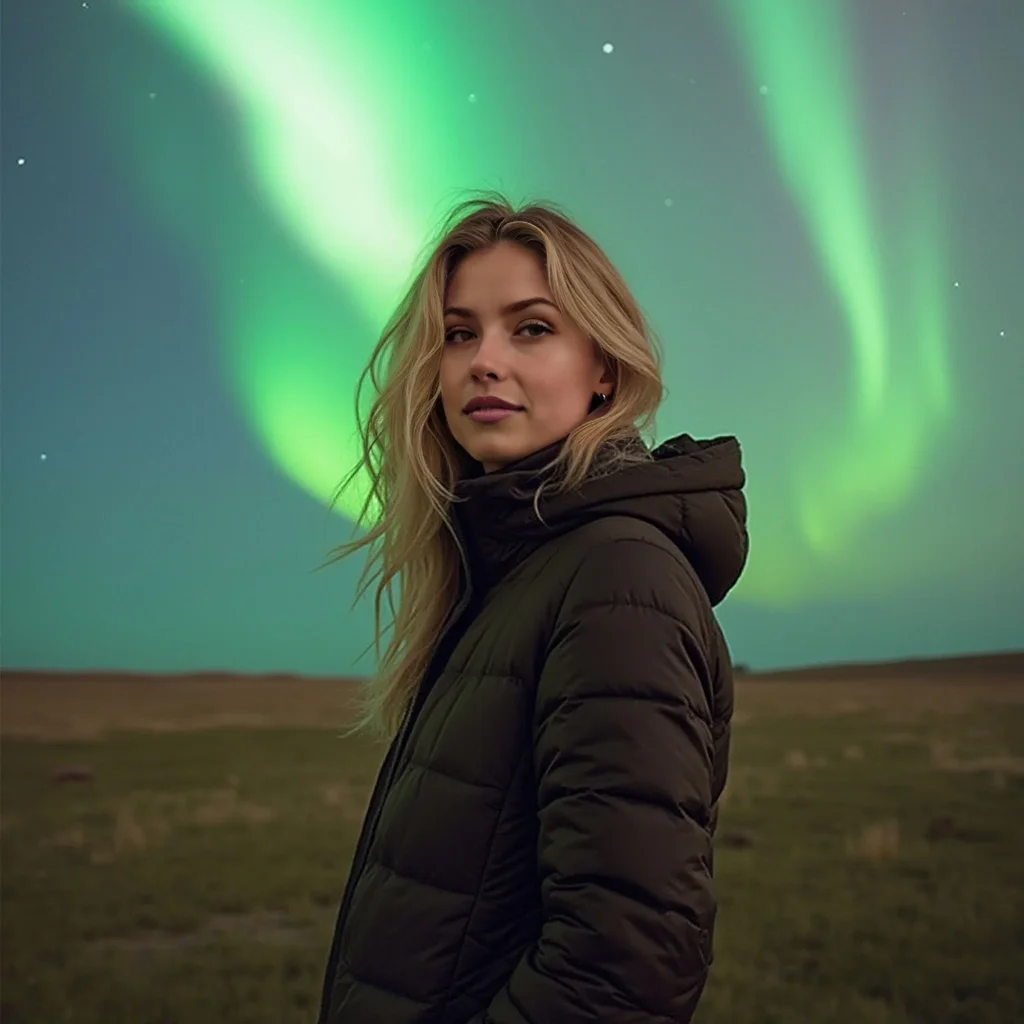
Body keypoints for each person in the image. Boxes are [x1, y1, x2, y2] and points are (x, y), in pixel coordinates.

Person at [316, 192, 748, 1023]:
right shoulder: (519, 570)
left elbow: (622, 971)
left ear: (605, 373)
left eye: (533, 328)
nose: (484, 360)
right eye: (459, 332)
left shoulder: (618, 581)